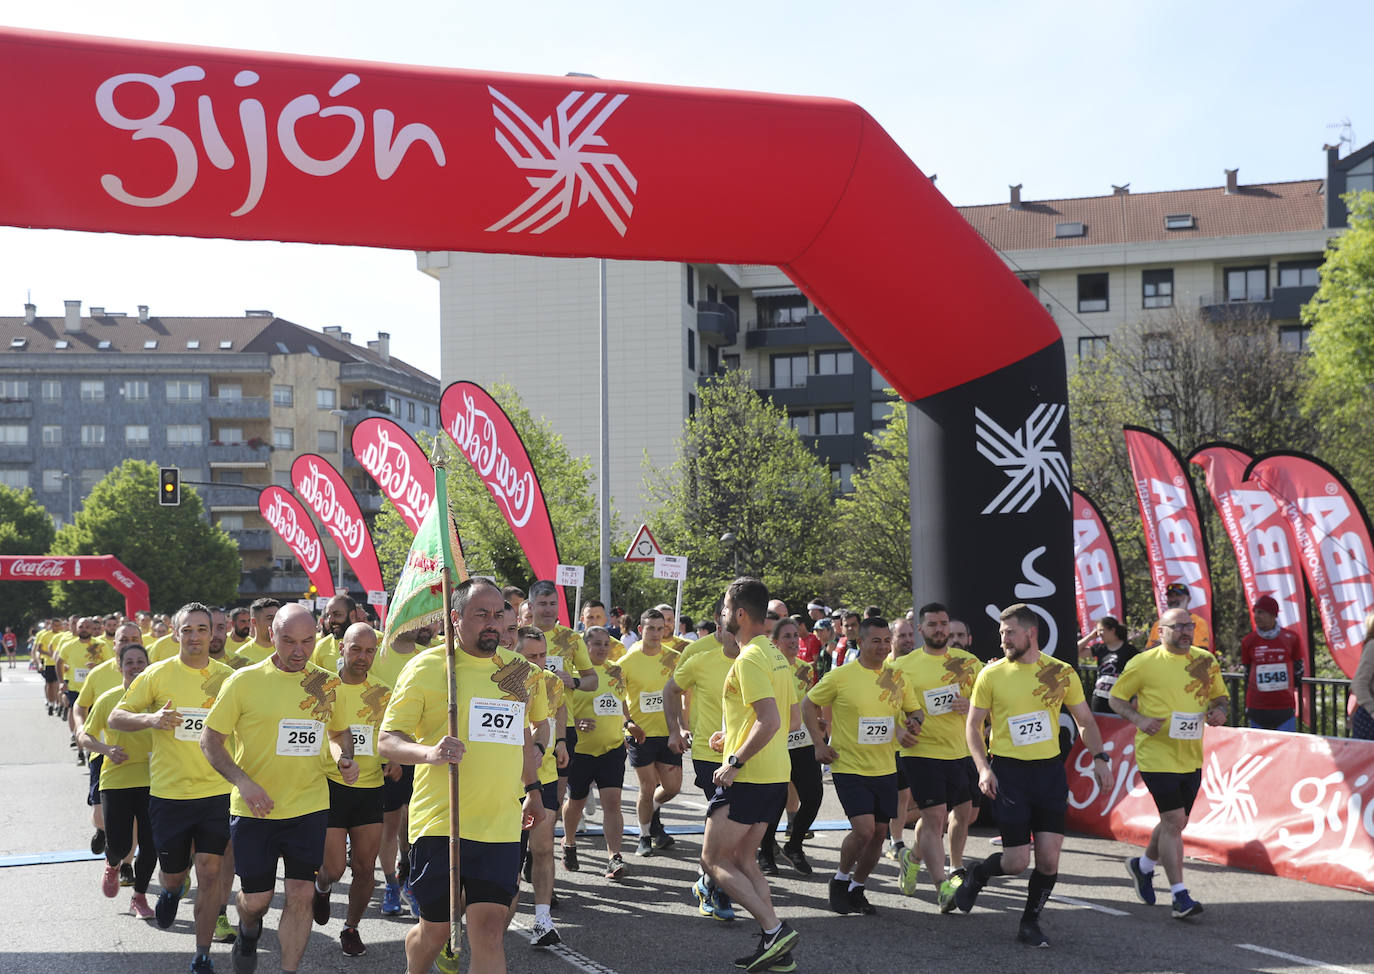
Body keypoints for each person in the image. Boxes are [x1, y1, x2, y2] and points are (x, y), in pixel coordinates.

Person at [379, 578, 548, 974]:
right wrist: (430, 753)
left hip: (500, 822)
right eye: (480, 615)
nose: (491, 623)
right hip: (443, 821)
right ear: (455, 618)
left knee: (489, 931)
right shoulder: (427, 666)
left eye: (497, 614)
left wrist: (534, 790)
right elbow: (387, 739)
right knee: (435, 932)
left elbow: (522, 735)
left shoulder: (520, 672)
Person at [201, 601, 356, 974]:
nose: (299, 651)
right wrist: (243, 782)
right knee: (256, 900)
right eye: (288, 641)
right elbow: (210, 741)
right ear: (270, 634)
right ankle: (248, 928)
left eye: (307, 641)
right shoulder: (244, 681)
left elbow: (338, 732)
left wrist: (342, 757)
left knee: (301, 893)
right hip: (256, 808)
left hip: (309, 805)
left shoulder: (325, 682)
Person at [956, 603, 1113, 949]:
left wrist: (1100, 757)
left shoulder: (1060, 672)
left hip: (1049, 773)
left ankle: (1030, 922)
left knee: (1048, 857)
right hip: (1009, 772)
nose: (1003, 641)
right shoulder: (991, 675)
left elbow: (1085, 720)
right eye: (1001, 634)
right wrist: (983, 768)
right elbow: (973, 726)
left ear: (1031, 633)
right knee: (1015, 862)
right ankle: (977, 874)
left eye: (1009, 633)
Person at [109, 603, 235, 973]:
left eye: (202, 629)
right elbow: (117, 715)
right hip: (169, 795)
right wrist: (152, 718)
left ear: (213, 633)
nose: (195, 636)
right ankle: (169, 890)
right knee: (175, 874)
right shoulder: (157, 674)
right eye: (187, 630)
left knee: (211, 872)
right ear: (175, 633)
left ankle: (202, 953)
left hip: (216, 793)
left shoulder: (227, 677)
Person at [701, 577, 800, 972]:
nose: (722, 615)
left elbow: (772, 720)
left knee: (713, 859)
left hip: (749, 777)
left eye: (725, 609)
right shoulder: (776, 656)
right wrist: (732, 734)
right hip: (774, 776)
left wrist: (735, 759)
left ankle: (774, 929)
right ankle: (776, 949)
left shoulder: (748, 659)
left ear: (739, 614)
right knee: (744, 857)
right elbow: (791, 720)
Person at [805, 617, 921, 915]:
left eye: (886, 641)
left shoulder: (897, 677)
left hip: (885, 768)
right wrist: (819, 743)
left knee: (880, 833)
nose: (882, 646)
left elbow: (915, 710)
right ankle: (840, 880)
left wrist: (915, 723)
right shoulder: (841, 676)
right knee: (864, 830)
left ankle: (858, 887)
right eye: (876, 641)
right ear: (861, 643)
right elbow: (809, 703)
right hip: (849, 766)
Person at [891, 602, 983, 909]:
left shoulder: (968, 663)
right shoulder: (903, 666)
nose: (940, 629)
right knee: (934, 816)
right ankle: (942, 886)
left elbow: (989, 703)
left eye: (943, 623)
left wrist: (970, 705)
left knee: (966, 814)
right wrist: (897, 729)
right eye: (933, 624)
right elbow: (883, 707)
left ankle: (914, 857)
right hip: (921, 752)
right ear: (921, 630)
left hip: (961, 750)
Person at [311, 623, 393, 956]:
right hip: (328, 785)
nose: (362, 657)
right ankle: (322, 885)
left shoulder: (383, 693)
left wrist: (394, 758)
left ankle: (351, 928)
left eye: (370, 650)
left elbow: (392, 734)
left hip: (369, 787)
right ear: (341, 649)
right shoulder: (321, 687)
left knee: (364, 867)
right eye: (356, 649)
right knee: (334, 868)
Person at [665, 606, 739, 918]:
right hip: (709, 754)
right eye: (724, 628)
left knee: (735, 825)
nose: (729, 634)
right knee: (726, 819)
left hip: (745, 754)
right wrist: (676, 729)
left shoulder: (755, 659)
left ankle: (707, 880)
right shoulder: (699, 657)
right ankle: (718, 891)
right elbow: (672, 690)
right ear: (717, 630)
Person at [79, 638, 156, 917]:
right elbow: (83, 735)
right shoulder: (108, 698)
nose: (135, 667)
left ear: (149, 666)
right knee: (121, 844)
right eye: (129, 662)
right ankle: (113, 864)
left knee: (151, 844)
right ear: (120, 667)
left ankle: (139, 897)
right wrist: (105, 749)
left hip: (154, 780)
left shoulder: (158, 698)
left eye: (140, 662)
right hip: (116, 780)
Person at [511, 626, 569, 948]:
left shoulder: (549, 680)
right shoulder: (501, 680)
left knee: (543, 847)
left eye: (543, 654)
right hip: (507, 780)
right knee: (511, 855)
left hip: (543, 776)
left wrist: (558, 741)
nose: (539, 661)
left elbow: (556, 709)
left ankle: (543, 919)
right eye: (531, 655)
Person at [371, 624, 433, 916]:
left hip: (420, 754)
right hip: (384, 755)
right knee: (391, 824)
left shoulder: (429, 657)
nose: (419, 624)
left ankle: (408, 874)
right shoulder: (376, 655)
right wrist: (390, 754)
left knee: (414, 823)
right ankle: (391, 885)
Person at [563, 626, 628, 880]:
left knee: (613, 802)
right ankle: (569, 843)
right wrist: (576, 723)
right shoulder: (575, 674)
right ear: (584, 647)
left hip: (612, 747)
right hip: (581, 750)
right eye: (596, 644)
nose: (602, 648)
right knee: (577, 801)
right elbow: (563, 707)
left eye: (606, 644)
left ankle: (614, 857)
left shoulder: (615, 670)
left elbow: (620, 702)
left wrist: (629, 722)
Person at [620, 608, 683, 855]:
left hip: (668, 732)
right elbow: (617, 696)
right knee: (647, 787)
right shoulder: (627, 662)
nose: (657, 633)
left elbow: (682, 693)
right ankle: (644, 836)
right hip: (641, 734)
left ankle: (652, 808)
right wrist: (627, 723)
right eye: (651, 629)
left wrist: (681, 726)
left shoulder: (673, 658)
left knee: (672, 787)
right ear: (641, 630)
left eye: (661, 628)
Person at [767, 616, 824, 877]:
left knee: (813, 797)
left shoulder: (806, 669)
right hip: (775, 743)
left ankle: (794, 845)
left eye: (795, 636)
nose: (792, 640)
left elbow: (811, 703)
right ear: (775, 642)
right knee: (775, 801)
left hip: (802, 743)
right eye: (786, 636)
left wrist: (819, 723)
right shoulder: (768, 667)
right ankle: (766, 852)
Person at [1239, 596, 1304, 732]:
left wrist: (1292, 686)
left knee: (1285, 750)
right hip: (1257, 707)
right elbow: (1247, 671)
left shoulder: (1291, 638)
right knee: (1259, 750)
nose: (1257, 616)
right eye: (1255, 612)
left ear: (1273, 615)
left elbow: (1298, 668)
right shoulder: (1248, 641)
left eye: (1261, 612)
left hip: (1284, 706)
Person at [1077, 616, 1138, 715]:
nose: (1099, 633)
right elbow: (1075, 652)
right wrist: (1090, 637)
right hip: (1100, 697)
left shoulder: (1129, 650)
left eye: (1101, 630)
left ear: (1112, 630)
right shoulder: (1100, 648)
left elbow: (1137, 674)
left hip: (1120, 698)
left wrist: (1136, 697)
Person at [1147, 583, 1212, 652]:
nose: (1173, 599)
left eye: (1178, 595)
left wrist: (1167, 644)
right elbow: (1148, 651)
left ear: (1188, 599)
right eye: (1170, 596)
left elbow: (1201, 651)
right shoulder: (1158, 624)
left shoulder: (1198, 622)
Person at [311, 594, 356, 674]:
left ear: (352, 616)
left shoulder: (377, 641)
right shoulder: (321, 646)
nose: (330, 620)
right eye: (328, 615)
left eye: (337, 614)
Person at [236, 598, 281, 667]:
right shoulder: (241, 656)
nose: (275, 622)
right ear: (254, 622)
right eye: (270, 618)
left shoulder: (288, 650)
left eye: (277, 618)